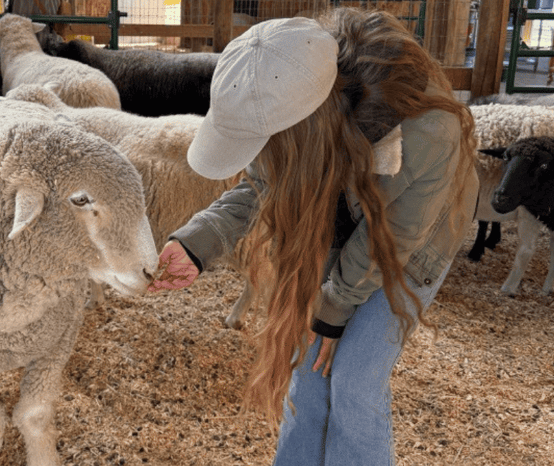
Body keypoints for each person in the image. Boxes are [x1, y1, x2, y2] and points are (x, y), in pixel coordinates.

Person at [148, 8, 478, 465]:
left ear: (301, 129)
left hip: (413, 244)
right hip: (335, 224)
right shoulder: (290, 88)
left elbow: (395, 235)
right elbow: (264, 183)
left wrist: (335, 306)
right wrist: (198, 241)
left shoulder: (425, 132)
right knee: (308, 372)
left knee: (354, 382)